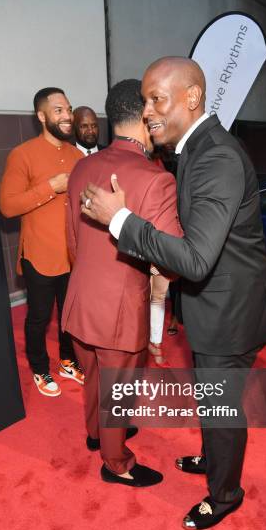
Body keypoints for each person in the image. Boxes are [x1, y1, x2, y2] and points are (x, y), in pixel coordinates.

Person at [81, 56, 266, 530]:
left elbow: (195, 258)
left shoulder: (216, 155)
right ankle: (216, 461)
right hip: (218, 304)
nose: (147, 110)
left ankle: (226, 494)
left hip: (233, 314)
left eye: (157, 98)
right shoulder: (195, 148)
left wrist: (120, 220)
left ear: (192, 98)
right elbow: (198, 245)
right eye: (146, 99)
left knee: (221, 408)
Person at [62, 79, 181, 486]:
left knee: (94, 374)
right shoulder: (155, 178)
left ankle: (97, 435)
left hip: (80, 297)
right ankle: (117, 464)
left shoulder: (81, 167)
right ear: (148, 117)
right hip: (120, 304)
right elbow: (171, 258)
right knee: (117, 387)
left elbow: (73, 242)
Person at [0, 87, 85, 397]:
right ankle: (39, 368)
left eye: (69, 109)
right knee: (38, 317)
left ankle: (67, 361)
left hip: (74, 255)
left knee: (69, 316)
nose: (67, 116)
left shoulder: (77, 155)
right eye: (59, 110)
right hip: (40, 255)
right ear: (41, 116)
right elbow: (7, 206)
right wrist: (51, 186)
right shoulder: (22, 154)